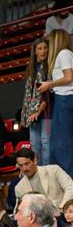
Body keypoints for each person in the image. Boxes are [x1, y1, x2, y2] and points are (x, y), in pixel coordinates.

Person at [38, 29, 73, 172]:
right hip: (63, 99)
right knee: (61, 142)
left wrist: (49, 84)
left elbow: (69, 77)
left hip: (65, 100)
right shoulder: (66, 54)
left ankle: (68, 178)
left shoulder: (63, 53)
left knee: (62, 143)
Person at [11, 147, 73, 213]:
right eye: (21, 166)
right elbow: (19, 211)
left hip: (63, 213)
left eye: (27, 164)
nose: (24, 169)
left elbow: (70, 187)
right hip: (40, 218)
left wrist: (62, 208)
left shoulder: (54, 170)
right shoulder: (19, 188)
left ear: (35, 160)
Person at [22, 38, 52, 164]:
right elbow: (27, 95)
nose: (43, 51)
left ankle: (47, 171)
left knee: (46, 143)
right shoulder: (30, 69)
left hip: (47, 112)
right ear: (34, 52)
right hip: (31, 113)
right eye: (40, 48)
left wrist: (38, 111)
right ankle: (38, 171)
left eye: (45, 48)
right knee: (35, 145)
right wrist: (28, 113)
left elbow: (48, 94)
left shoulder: (50, 66)